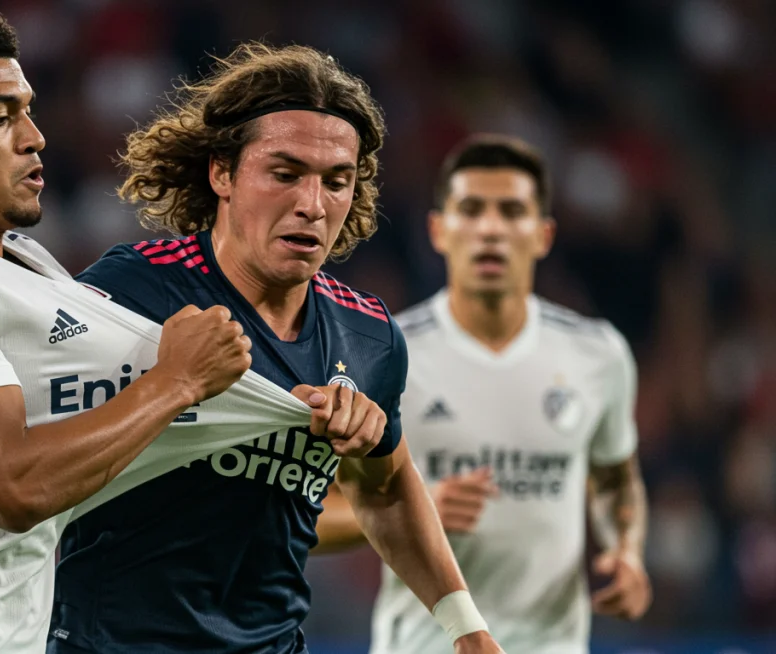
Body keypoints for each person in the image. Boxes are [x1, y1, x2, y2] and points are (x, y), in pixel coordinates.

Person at [0, 6, 365, 654]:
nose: (34, 137)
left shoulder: (21, 262)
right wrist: (176, 383)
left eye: (28, 111)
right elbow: (15, 487)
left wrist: (292, 405)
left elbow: (105, 411)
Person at [49, 43, 503, 654]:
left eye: (336, 182)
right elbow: (31, 464)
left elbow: (387, 489)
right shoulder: (133, 293)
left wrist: (467, 629)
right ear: (222, 173)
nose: (312, 205)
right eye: (285, 174)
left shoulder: (368, 338)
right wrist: (172, 389)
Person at [315, 134, 652, 653]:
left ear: (543, 235)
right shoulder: (383, 354)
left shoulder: (597, 354)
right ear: (438, 230)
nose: (490, 229)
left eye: (512, 212)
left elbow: (614, 477)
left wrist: (625, 550)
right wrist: (412, 508)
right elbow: (306, 510)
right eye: (471, 210)